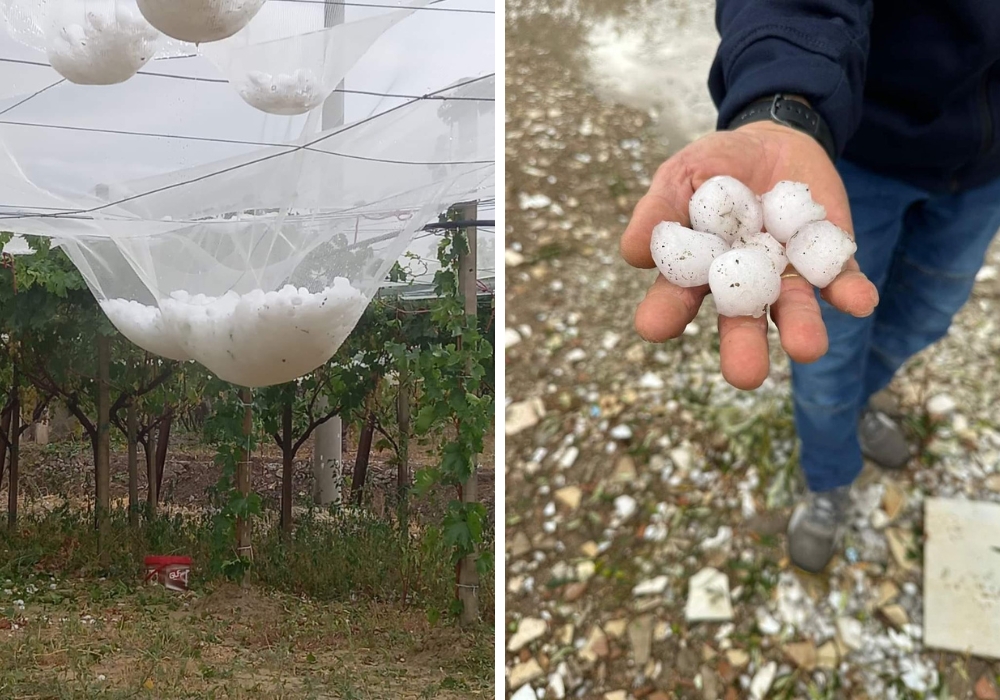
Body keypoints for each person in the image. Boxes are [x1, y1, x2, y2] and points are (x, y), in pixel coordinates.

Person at [619, 1, 1000, 573]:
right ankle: (828, 477)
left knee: (925, 315)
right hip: (857, 141)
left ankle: (860, 404)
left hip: (985, 175)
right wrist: (786, 101)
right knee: (829, 357)